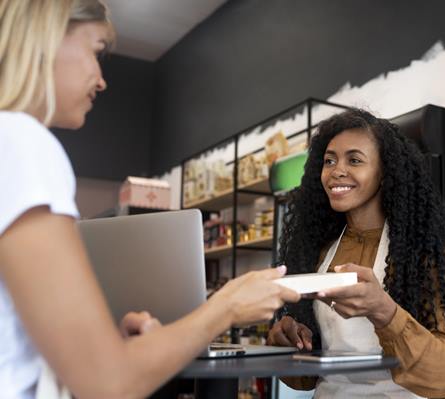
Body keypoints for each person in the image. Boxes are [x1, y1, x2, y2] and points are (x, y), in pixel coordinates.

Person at [0, 1, 300, 398]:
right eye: (96, 50)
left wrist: (114, 348)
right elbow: (105, 384)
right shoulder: (22, 141)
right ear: (48, 37)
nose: (101, 79)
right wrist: (226, 307)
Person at [267, 108, 445, 398]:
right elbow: (305, 380)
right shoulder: (319, 251)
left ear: (384, 171)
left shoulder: (421, 254)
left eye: (354, 160)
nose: (337, 170)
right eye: (329, 160)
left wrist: (384, 311)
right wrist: (286, 344)